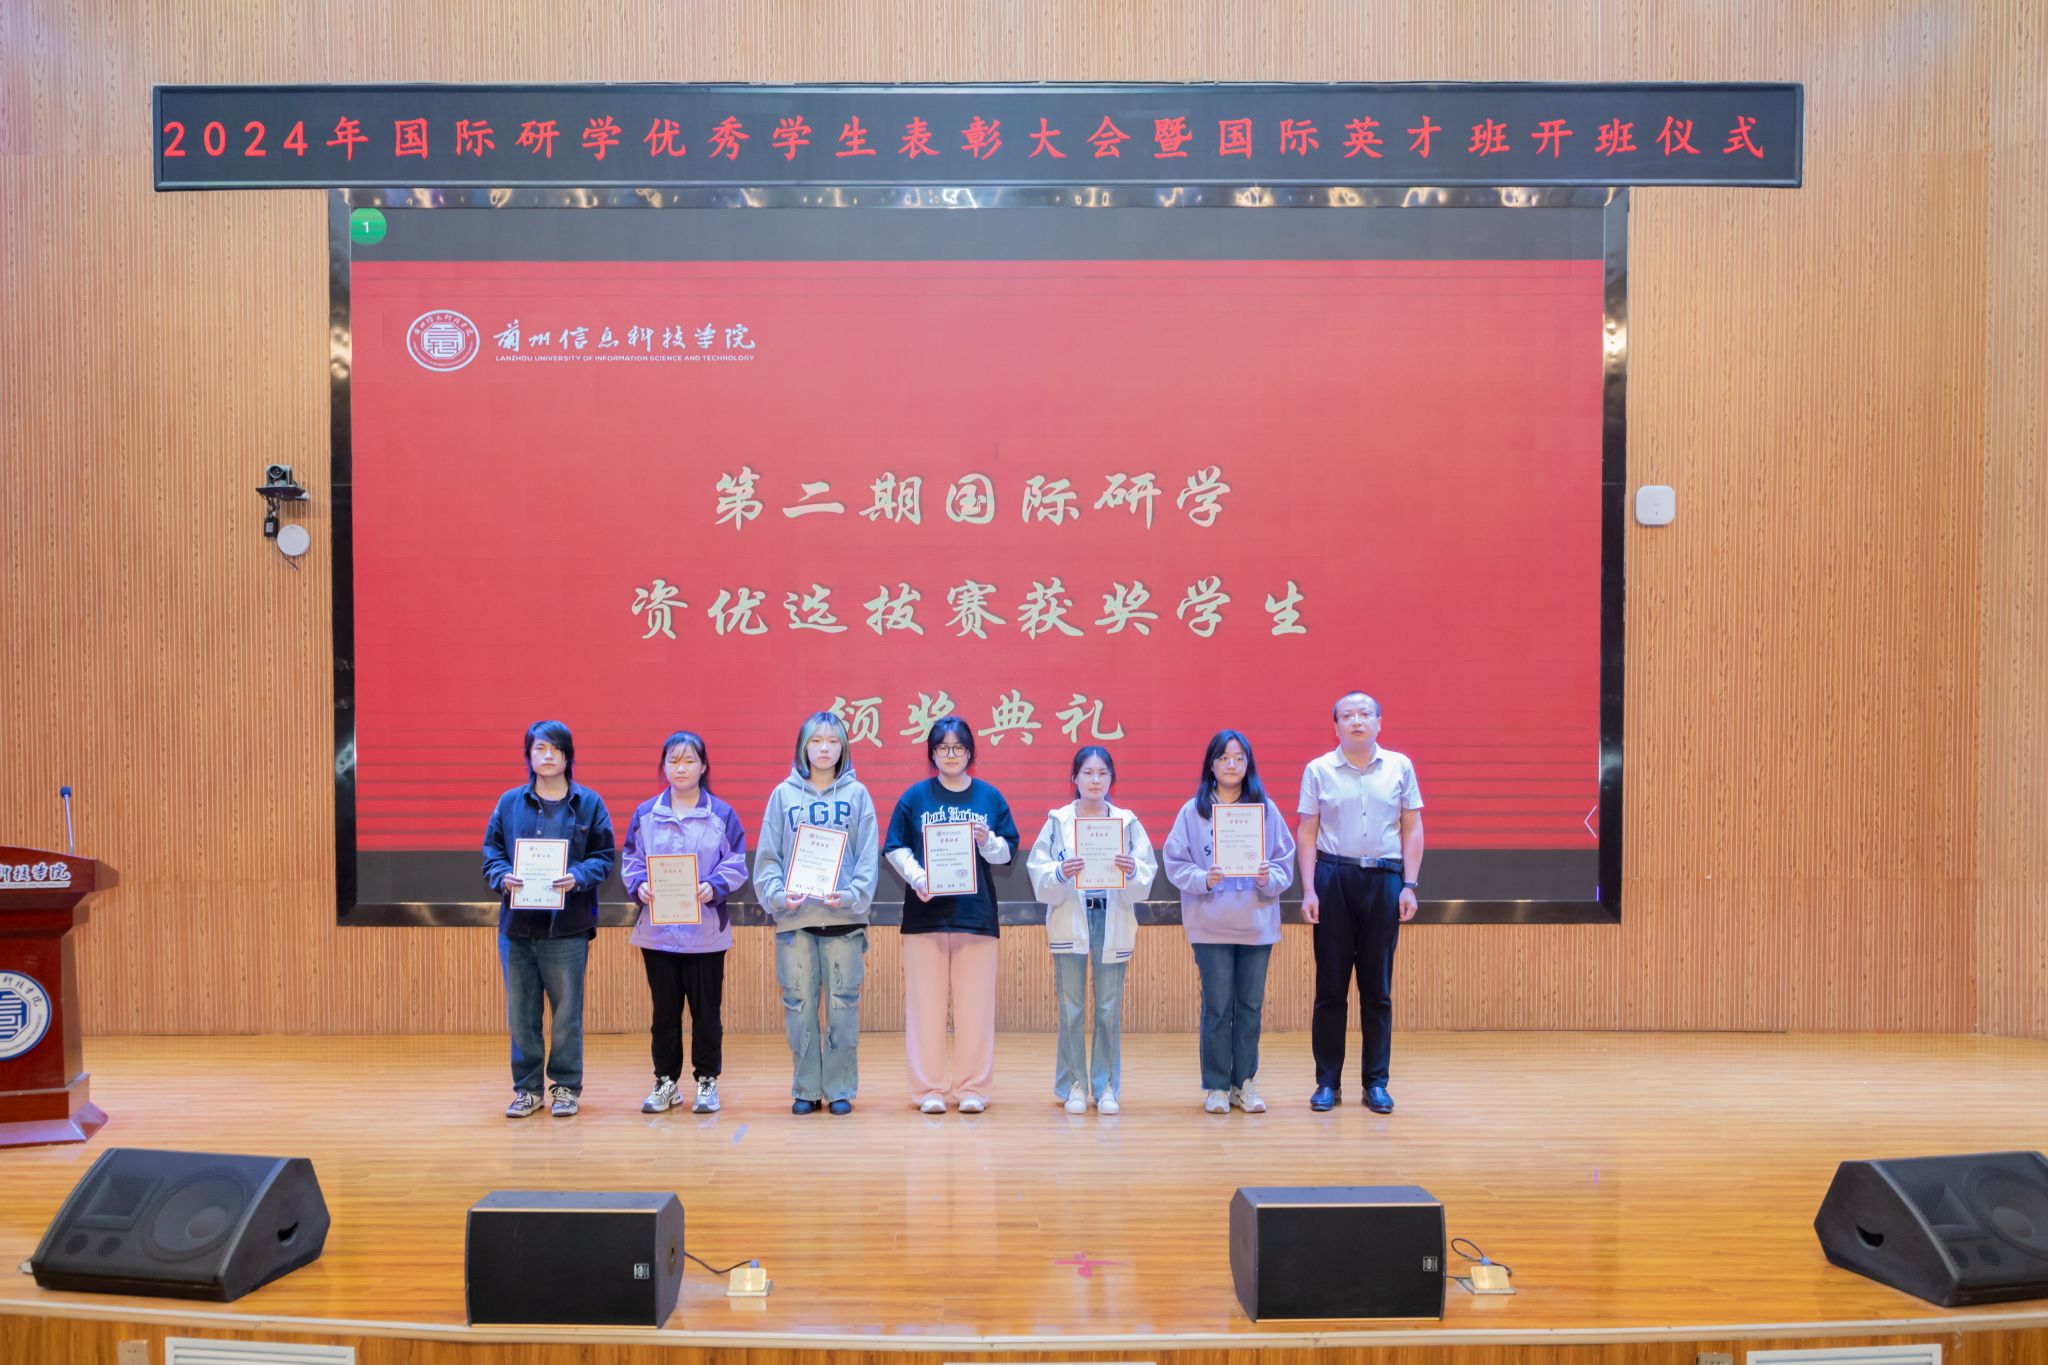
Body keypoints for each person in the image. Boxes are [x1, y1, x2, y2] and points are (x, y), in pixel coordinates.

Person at [480, 719, 616, 1119]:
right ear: (528, 756)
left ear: (568, 755)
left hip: (567, 929)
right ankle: (527, 1090)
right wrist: (501, 875)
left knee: (566, 1016)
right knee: (522, 1016)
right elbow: (491, 852)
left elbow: (604, 857)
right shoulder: (509, 803)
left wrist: (578, 876)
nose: (548, 755)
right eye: (539, 748)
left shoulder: (589, 803)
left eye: (555, 748)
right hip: (517, 930)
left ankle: (566, 1088)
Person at [883, 717, 1019, 1114]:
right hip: (924, 916)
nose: (951, 754)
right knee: (924, 1009)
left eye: (958, 747)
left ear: (970, 752)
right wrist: (919, 877)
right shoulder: (915, 797)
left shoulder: (989, 797)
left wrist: (988, 841)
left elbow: (1007, 852)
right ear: (932, 754)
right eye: (942, 747)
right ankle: (929, 1090)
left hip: (975, 916)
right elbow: (895, 847)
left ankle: (972, 1088)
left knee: (975, 1009)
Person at [1297, 692, 1424, 1114]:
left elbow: (1412, 827)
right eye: (1347, 715)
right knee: (1330, 987)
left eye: (1365, 713)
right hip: (1334, 877)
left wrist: (1409, 885)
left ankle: (1376, 1083)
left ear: (1379, 722)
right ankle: (1327, 1082)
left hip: (1385, 879)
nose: (1357, 720)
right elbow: (1307, 832)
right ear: (1335, 726)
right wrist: (1309, 890)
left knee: (1377, 989)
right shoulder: (1318, 769)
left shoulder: (1400, 766)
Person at [1162, 729, 1297, 1114]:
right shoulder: (1193, 812)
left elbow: (1284, 864)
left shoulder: (1265, 811)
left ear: (1248, 764)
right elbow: (1175, 863)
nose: (1232, 764)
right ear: (1211, 764)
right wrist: (1203, 878)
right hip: (1210, 924)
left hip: (1256, 924)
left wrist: (1266, 877)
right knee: (1218, 1007)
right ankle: (1217, 1087)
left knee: (1250, 1006)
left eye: (1239, 758)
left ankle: (1245, 1084)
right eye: (1224, 757)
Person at [753, 712, 880, 1115]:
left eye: (833, 741)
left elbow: (867, 858)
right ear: (803, 747)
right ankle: (806, 1088)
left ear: (844, 747)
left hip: (844, 921)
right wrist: (778, 895)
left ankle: (839, 1089)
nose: (824, 748)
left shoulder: (858, 795)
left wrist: (851, 895)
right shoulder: (782, 796)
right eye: (816, 741)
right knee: (799, 1006)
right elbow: (768, 857)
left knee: (843, 1007)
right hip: (796, 921)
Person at [618, 731, 749, 1117]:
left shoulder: (722, 814)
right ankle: (666, 1082)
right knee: (664, 1014)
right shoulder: (646, 813)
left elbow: (736, 862)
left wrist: (714, 885)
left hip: (705, 934)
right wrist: (639, 885)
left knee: (707, 1013)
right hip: (658, 935)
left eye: (689, 760)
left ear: (703, 766)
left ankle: (707, 1081)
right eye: (673, 761)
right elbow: (631, 860)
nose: (681, 768)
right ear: (664, 767)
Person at [1026, 746, 1157, 1116]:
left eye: (1102, 773)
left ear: (1112, 778)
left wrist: (1132, 870)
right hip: (1072, 917)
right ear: (1074, 778)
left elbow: (1146, 873)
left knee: (1108, 1008)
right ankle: (1074, 1085)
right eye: (1087, 772)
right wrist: (1059, 872)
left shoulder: (1127, 823)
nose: (1095, 780)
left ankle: (1106, 1087)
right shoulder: (1058, 821)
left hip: (1110, 919)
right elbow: (1038, 868)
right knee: (1071, 1008)